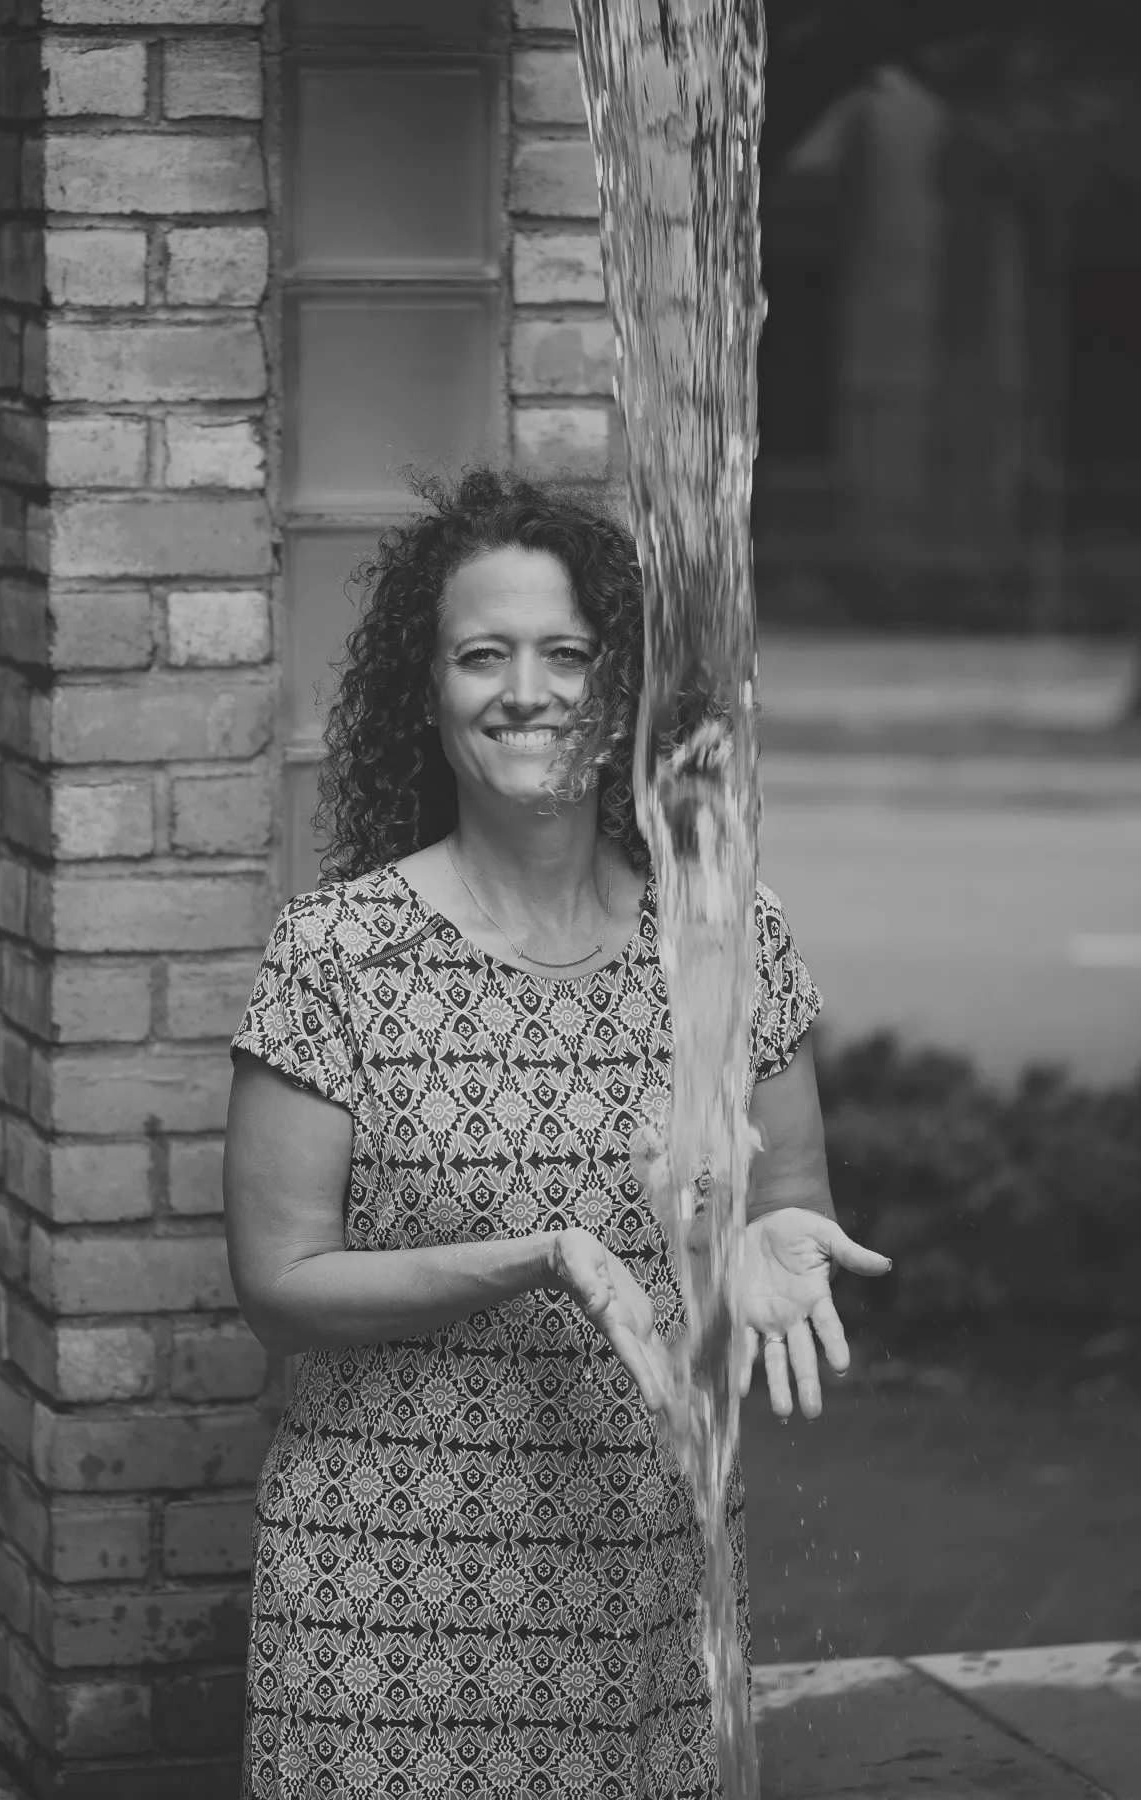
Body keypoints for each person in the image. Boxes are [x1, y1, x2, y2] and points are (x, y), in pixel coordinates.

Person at [224, 468, 889, 1800]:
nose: (527, 689)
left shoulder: (726, 943)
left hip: (643, 1573)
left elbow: (785, 1191)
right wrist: (541, 1256)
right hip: (385, 1598)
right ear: (430, 693)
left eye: (568, 654)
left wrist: (764, 1240)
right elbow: (279, 1282)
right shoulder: (339, 954)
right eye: (483, 655)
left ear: (622, 686)